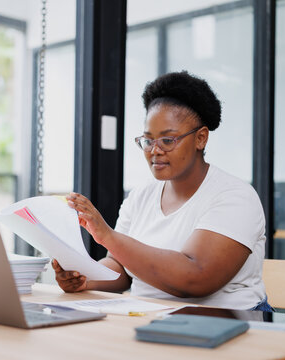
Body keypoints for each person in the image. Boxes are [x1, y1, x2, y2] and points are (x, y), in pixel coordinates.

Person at [53, 71, 272, 311]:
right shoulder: (141, 195)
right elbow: (121, 268)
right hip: (148, 315)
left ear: (201, 138)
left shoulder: (235, 196)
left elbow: (195, 277)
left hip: (228, 324)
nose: (154, 151)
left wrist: (108, 236)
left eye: (168, 140)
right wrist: (85, 278)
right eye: (148, 141)